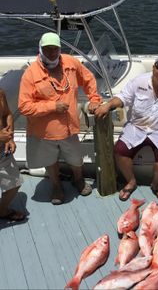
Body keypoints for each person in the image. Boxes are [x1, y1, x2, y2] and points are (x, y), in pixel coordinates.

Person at [94, 55, 158, 201]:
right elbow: (123, 98)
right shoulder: (139, 82)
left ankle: (156, 184)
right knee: (119, 151)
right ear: (153, 67)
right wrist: (108, 105)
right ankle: (131, 182)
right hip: (137, 126)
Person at [18, 32, 102, 205]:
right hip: (44, 132)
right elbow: (24, 106)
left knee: (76, 159)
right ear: (40, 49)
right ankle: (56, 186)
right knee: (50, 161)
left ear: (59, 49)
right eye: (47, 49)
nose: (51, 53)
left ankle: (78, 180)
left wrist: (94, 99)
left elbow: (88, 79)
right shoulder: (30, 74)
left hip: (70, 127)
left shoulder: (70, 62)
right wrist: (52, 106)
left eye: (54, 49)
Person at [0, 89, 26, 221]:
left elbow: (6, 115)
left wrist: (10, 138)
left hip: (2, 153)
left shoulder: (0, 93)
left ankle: (2, 210)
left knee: (14, 183)